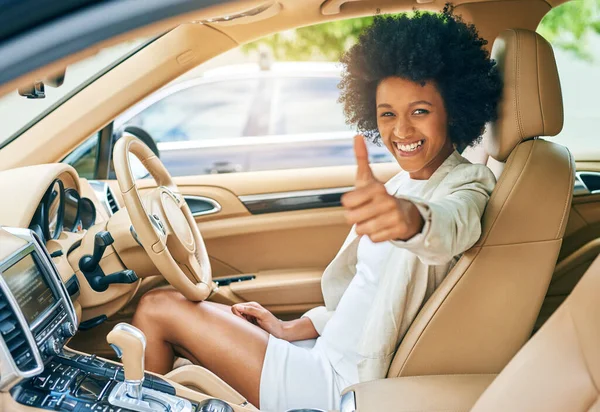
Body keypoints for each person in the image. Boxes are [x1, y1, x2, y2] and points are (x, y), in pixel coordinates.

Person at [131, 6, 502, 412]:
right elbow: (362, 296)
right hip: (321, 351)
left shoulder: (468, 182)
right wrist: (292, 327)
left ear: (454, 109)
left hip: (341, 387)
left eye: (420, 111)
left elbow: (452, 226)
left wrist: (409, 220)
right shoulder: (402, 181)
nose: (401, 131)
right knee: (174, 309)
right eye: (387, 115)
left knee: (157, 307)